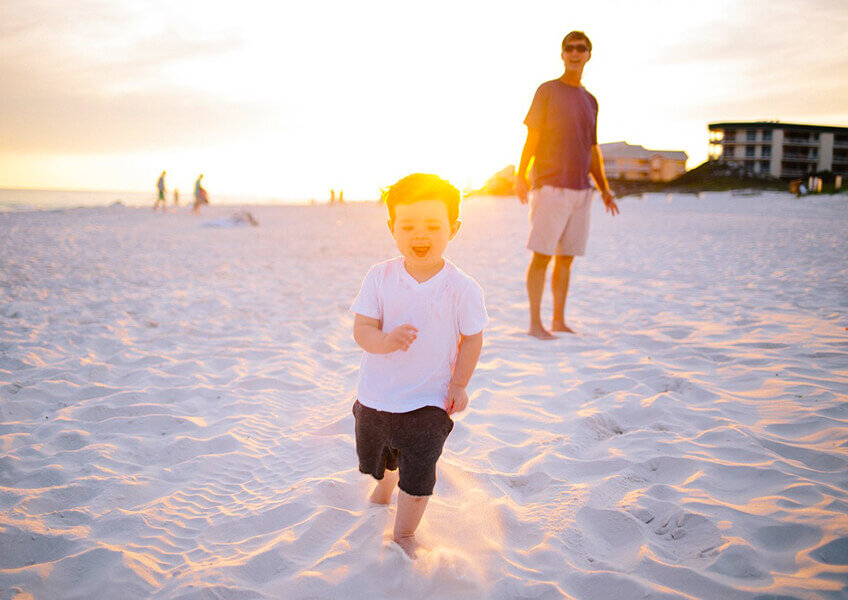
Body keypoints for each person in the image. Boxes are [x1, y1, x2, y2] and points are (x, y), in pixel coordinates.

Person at [350, 173, 488, 559]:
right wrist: (383, 341)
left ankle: (405, 533)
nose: (419, 234)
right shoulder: (380, 276)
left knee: (420, 467)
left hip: (429, 400)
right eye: (407, 225)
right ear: (392, 228)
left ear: (453, 229)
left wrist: (459, 384)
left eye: (432, 225)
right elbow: (361, 327)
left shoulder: (462, 288)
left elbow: (472, 337)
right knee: (378, 458)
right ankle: (384, 483)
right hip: (376, 395)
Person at [515, 31, 619, 340]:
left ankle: (558, 320)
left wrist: (603, 189)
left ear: (589, 55)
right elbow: (532, 136)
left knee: (566, 257)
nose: (575, 53)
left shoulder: (591, 101)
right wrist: (521, 175)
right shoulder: (547, 91)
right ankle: (535, 324)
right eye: (569, 48)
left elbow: (592, 149)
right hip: (550, 186)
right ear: (562, 54)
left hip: (580, 190)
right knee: (542, 255)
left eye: (581, 48)